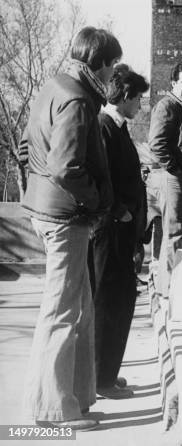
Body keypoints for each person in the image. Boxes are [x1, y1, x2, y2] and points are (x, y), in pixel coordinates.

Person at [18, 27, 122, 430]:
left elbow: (28, 149)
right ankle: (53, 411)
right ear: (100, 63)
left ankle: (73, 400)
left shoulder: (54, 87)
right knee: (61, 312)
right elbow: (67, 167)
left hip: (50, 211)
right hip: (66, 218)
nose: (114, 75)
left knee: (76, 309)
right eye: (113, 66)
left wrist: (39, 182)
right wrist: (96, 201)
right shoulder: (78, 99)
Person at [88, 65, 149, 399]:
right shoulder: (104, 126)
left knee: (120, 300)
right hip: (110, 230)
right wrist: (119, 211)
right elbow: (101, 177)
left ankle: (107, 371)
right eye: (138, 98)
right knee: (108, 303)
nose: (141, 105)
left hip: (121, 231)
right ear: (125, 97)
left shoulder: (118, 126)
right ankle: (100, 379)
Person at [148, 62, 182, 299]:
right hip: (173, 179)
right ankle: (166, 291)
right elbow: (156, 145)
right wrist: (176, 169)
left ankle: (170, 288)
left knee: (178, 233)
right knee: (173, 234)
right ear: (173, 82)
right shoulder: (167, 106)